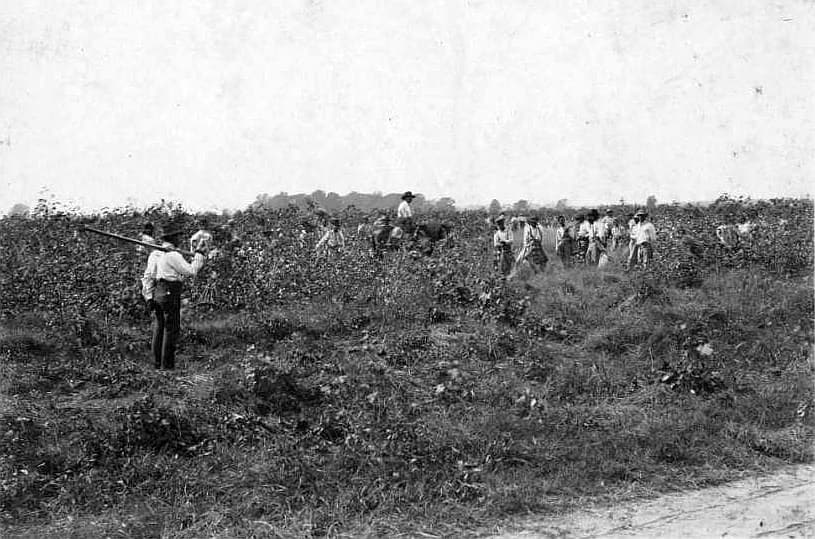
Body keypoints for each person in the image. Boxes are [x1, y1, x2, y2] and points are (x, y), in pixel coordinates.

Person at [143, 224, 207, 370]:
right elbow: (191, 271)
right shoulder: (173, 255)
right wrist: (199, 256)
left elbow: (149, 276)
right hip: (169, 294)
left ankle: (157, 364)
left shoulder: (156, 254)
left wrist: (148, 296)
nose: (180, 239)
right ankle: (167, 367)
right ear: (173, 239)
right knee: (171, 329)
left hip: (158, 293)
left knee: (160, 328)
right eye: (177, 237)